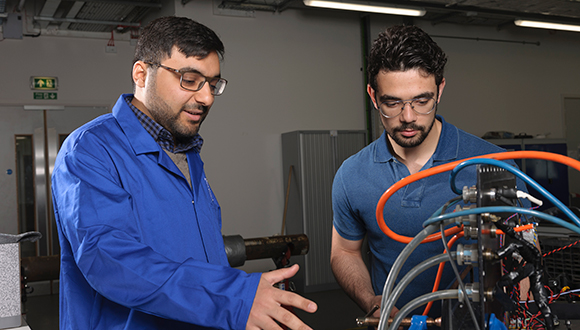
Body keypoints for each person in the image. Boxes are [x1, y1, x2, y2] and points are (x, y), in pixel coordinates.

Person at [51, 16, 316, 330]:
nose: (205, 98)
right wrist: (232, 296)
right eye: (190, 79)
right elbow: (108, 259)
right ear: (141, 74)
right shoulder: (91, 149)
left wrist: (234, 310)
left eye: (213, 84)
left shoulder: (185, 152)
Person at [330, 25, 529, 320]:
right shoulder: (352, 175)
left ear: (440, 90)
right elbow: (344, 252)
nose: (408, 117)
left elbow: (524, 254)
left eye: (422, 101)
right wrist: (371, 301)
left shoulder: (493, 166)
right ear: (373, 96)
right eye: (392, 103)